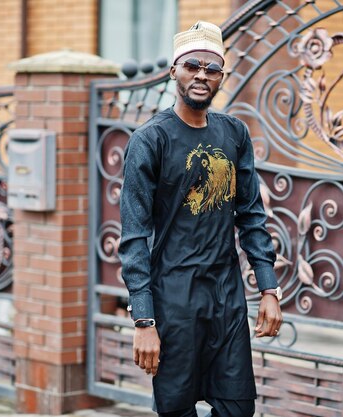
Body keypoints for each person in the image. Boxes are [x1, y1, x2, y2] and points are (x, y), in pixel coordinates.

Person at [118, 21, 283, 417]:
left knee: (238, 407)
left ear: (221, 76)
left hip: (226, 297)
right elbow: (134, 237)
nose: (201, 75)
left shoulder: (234, 134)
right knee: (176, 409)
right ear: (174, 70)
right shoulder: (150, 140)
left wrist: (269, 289)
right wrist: (144, 319)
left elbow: (251, 215)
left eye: (211, 68)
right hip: (174, 298)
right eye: (192, 65)